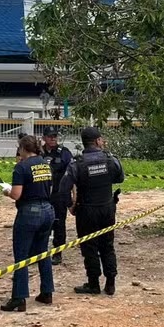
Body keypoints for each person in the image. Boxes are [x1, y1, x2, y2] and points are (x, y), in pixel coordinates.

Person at [59, 126, 125, 296]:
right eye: (101, 139)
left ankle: (93, 283)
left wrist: (70, 206)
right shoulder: (110, 160)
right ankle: (110, 283)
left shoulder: (77, 163)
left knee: (89, 247)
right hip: (107, 208)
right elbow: (120, 178)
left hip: (86, 211)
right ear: (97, 141)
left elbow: (63, 188)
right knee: (107, 245)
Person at [0, 135, 56, 312]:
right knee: (43, 252)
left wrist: (7, 191)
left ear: (23, 148)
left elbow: (16, 194)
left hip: (29, 212)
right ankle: (46, 292)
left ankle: (19, 297)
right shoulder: (45, 164)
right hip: (48, 209)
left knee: (21, 255)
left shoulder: (21, 167)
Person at [40, 125, 74, 265]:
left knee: (59, 224)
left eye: (55, 136)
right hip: (42, 194)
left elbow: (72, 175)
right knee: (42, 224)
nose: (53, 138)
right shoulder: (39, 152)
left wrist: (72, 196)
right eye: (50, 136)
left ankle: (57, 252)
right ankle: (39, 252)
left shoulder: (64, 153)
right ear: (44, 138)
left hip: (59, 194)